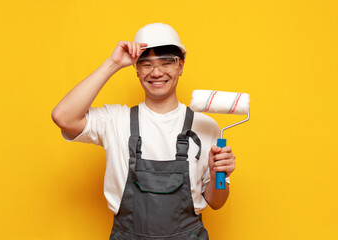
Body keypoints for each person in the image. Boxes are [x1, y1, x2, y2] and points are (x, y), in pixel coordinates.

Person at [51, 23, 236, 239]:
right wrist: (113, 63)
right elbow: (62, 116)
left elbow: (216, 201)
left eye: (167, 62)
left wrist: (217, 174)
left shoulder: (205, 126)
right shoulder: (115, 120)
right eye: (146, 64)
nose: (156, 72)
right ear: (136, 70)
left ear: (181, 66)